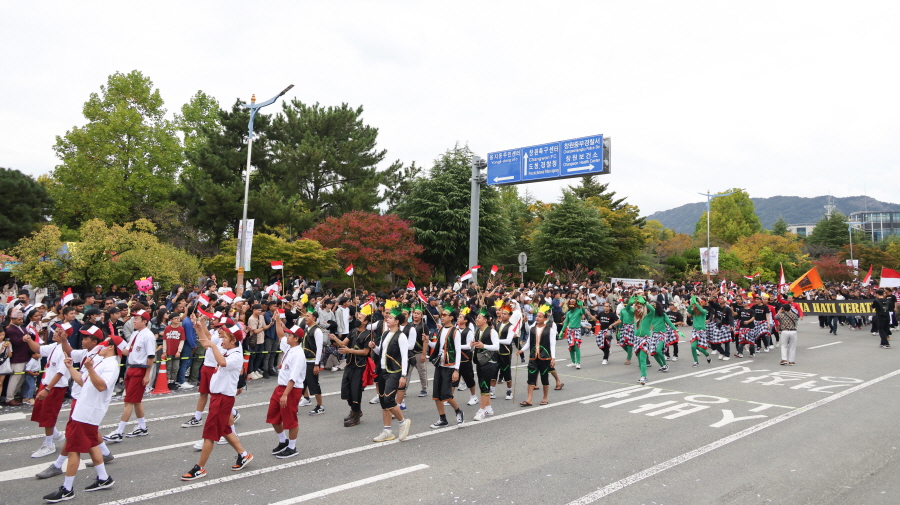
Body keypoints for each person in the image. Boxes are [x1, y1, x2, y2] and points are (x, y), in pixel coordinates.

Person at [41, 335, 120, 503]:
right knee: (91, 444)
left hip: (89, 412)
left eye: (104, 346)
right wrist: (70, 368)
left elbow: (101, 386)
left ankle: (67, 489)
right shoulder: (101, 360)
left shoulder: (112, 364)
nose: (100, 348)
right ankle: (103, 477)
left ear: (111, 347)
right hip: (83, 409)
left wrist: (90, 369)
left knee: (73, 449)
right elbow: (83, 381)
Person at [181, 320, 253, 480]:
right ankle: (244, 454)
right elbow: (207, 344)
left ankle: (200, 468)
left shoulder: (235, 356)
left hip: (223, 398)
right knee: (225, 429)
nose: (221, 341)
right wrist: (200, 330)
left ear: (233, 340)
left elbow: (221, 362)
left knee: (210, 434)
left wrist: (214, 346)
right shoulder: (227, 349)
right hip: (218, 397)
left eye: (224, 338)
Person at [104, 309, 156, 442]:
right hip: (131, 368)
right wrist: (115, 341)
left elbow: (151, 356)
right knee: (136, 400)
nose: (134, 321)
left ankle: (119, 431)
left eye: (137, 319)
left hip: (140, 369)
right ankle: (142, 427)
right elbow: (127, 351)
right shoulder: (135, 334)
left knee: (128, 401)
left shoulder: (148, 335)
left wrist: (147, 374)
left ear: (144, 321)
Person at [23, 327, 70, 458]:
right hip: (46, 383)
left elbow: (60, 372)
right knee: (41, 412)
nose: (54, 333)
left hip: (55, 387)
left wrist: (47, 389)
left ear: (66, 335)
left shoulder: (65, 350)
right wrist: (28, 341)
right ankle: (55, 435)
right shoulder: (55, 345)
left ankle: (49, 444)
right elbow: (38, 349)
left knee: (48, 415)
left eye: (59, 332)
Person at [368, 309, 412, 442]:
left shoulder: (401, 336)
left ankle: (403, 421)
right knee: (383, 401)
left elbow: (405, 357)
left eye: (390, 318)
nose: (387, 319)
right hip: (382, 371)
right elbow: (380, 351)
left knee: (388, 399)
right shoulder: (386, 333)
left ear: (397, 321)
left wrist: (403, 375)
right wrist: (374, 347)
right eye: (387, 317)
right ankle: (387, 430)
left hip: (394, 371)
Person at [267, 317, 305, 456]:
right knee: (273, 417)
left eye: (290, 335)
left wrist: (285, 395)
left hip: (291, 390)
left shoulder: (299, 354)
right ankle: (283, 441)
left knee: (290, 419)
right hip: (280, 387)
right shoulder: (289, 347)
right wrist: (278, 320)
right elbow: (280, 334)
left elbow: (293, 378)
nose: (287, 337)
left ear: (296, 338)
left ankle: (292, 446)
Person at [428, 305, 463, 428]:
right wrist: (427, 341)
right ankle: (442, 419)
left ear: (451, 317)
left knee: (446, 395)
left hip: (450, 366)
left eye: (444, 315)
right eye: (441, 315)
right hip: (440, 365)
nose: (442, 317)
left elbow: (458, 352)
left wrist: (456, 370)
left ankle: (458, 411)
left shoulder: (455, 332)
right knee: (436, 394)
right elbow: (437, 347)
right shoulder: (441, 330)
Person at [337, 311, 373, 427]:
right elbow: (343, 344)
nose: (357, 318)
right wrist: (334, 338)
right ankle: (355, 410)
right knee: (346, 390)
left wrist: (350, 351)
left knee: (355, 391)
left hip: (360, 366)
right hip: (349, 364)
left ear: (366, 321)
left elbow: (365, 352)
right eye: (357, 316)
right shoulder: (353, 331)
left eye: (360, 317)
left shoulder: (368, 335)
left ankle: (356, 414)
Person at [518, 308, 557, 406]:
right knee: (531, 377)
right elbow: (528, 343)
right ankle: (529, 399)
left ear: (545, 318)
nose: (537, 318)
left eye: (540, 316)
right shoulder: (532, 329)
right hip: (533, 357)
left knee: (544, 378)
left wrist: (553, 358)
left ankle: (545, 398)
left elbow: (552, 344)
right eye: (537, 316)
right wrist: (522, 350)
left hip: (545, 357)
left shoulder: (550, 330)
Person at [299, 308, 326, 415]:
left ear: (314, 318)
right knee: (301, 383)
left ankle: (320, 406)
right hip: (304, 361)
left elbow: (319, 348)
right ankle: (305, 399)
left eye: (308, 316)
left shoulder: (317, 330)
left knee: (313, 384)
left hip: (312, 361)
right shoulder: (306, 329)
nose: (306, 317)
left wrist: (316, 364)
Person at [163, 313, 186, 389]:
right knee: (168, 366)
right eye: (175, 318)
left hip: (176, 351)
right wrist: (164, 351)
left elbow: (182, 340)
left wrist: (179, 351)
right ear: (171, 320)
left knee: (175, 367)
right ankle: (168, 380)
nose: (178, 320)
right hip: (168, 350)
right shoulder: (167, 328)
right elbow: (165, 340)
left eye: (178, 318)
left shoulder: (181, 329)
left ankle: (173, 381)